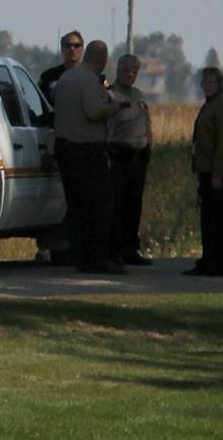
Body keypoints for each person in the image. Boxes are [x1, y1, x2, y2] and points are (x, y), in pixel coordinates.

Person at [51, 38, 124, 274]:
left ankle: (79, 255)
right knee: (101, 205)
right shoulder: (90, 81)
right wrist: (113, 105)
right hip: (87, 151)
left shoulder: (66, 77)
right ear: (102, 59)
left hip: (64, 148)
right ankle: (98, 257)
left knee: (77, 205)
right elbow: (93, 112)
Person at [184, 66, 223, 276]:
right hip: (205, 168)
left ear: (219, 84)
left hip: (216, 169)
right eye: (204, 82)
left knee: (216, 218)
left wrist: (217, 173)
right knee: (208, 217)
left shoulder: (221, 107)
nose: (207, 85)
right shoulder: (209, 105)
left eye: (211, 82)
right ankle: (210, 259)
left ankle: (218, 263)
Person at [106, 53, 154, 265]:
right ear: (118, 71)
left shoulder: (138, 95)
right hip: (118, 154)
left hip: (139, 154)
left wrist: (149, 146)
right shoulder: (110, 95)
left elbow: (147, 122)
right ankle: (114, 250)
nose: (130, 75)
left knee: (134, 204)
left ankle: (130, 249)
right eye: (126, 70)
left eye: (134, 71)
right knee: (117, 205)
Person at [39, 30, 85, 102]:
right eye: (68, 46)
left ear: (82, 48)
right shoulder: (48, 76)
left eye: (76, 45)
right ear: (62, 49)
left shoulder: (92, 76)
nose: (72, 49)